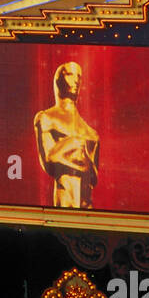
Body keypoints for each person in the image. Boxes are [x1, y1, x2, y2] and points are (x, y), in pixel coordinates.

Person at [33, 61, 100, 209]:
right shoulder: (46, 118)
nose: (76, 80)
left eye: (79, 76)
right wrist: (75, 146)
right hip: (65, 201)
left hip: (86, 205)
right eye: (70, 74)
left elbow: (94, 177)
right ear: (59, 80)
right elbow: (49, 161)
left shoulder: (92, 134)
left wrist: (84, 161)